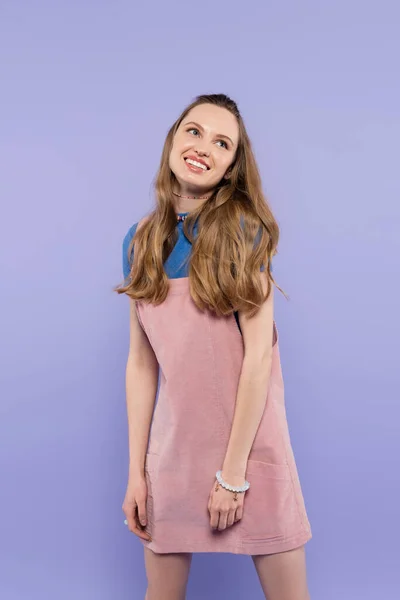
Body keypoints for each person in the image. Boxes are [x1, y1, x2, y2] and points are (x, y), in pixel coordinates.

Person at [116, 93, 312, 600]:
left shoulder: (245, 233)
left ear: (231, 167)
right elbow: (141, 363)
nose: (204, 146)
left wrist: (233, 476)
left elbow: (258, 360)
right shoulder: (138, 242)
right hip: (173, 453)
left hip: (249, 451)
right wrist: (136, 474)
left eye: (222, 143)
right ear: (173, 140)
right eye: (194, 131)